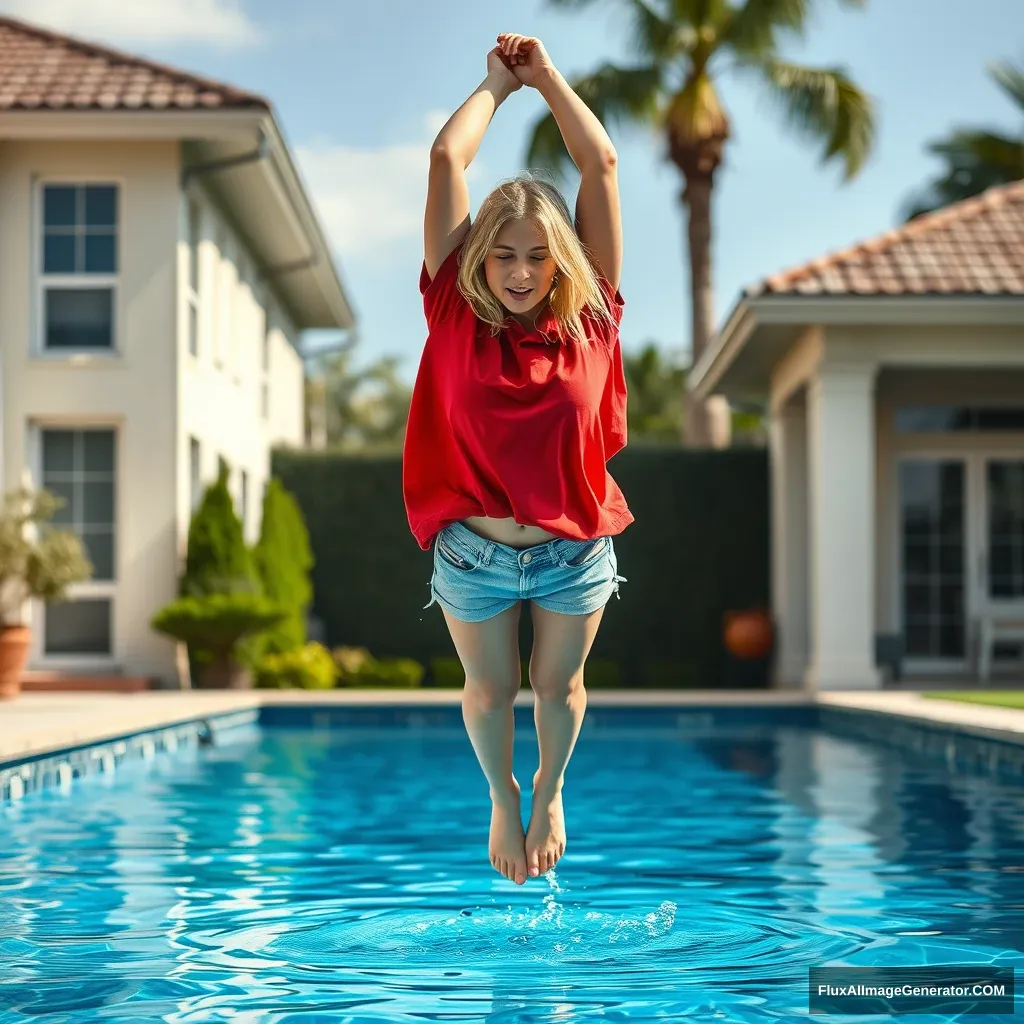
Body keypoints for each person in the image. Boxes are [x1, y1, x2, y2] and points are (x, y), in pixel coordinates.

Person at [402, 33, 633, 886]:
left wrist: (549, 80)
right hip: (474, 551)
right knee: (491, 694)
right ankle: (503, 795)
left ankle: (551, 788)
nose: (521, 270)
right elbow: (443, 159)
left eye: (538, 255)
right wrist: (497, 87)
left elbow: (601, 165)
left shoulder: (594, 319)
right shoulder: (452, 312)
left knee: (558, 692)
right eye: (503, 253)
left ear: (562, 259)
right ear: (478, 255)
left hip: (574, 552)